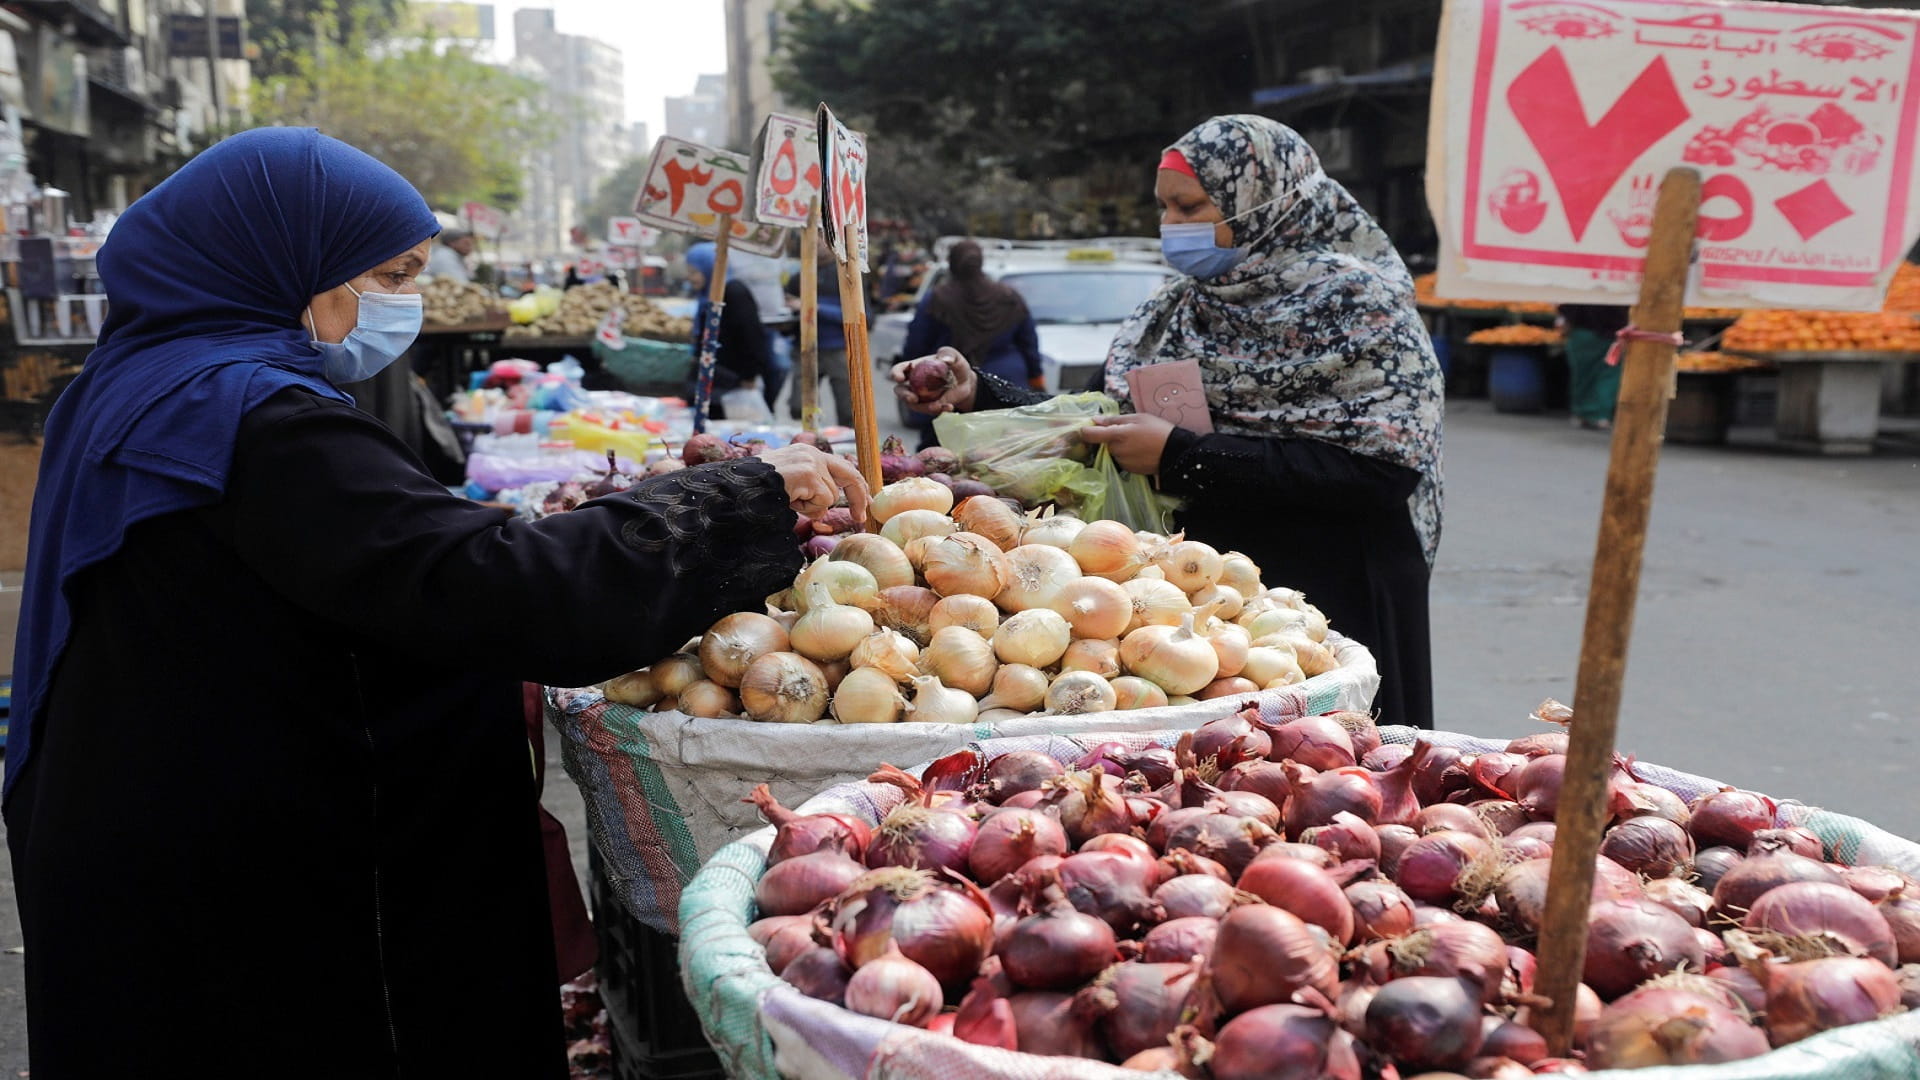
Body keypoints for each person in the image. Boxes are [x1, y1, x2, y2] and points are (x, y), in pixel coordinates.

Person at [4, 128, 868, 1078]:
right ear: (294, 260)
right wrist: (742, 499)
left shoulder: (139, 378)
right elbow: (508, 595)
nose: (404, 300)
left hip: (170, 824)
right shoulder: (254, 415)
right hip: (267, 871)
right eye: (390, 273)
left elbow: (363, 551)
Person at [894, 115, 1443, 729]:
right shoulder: (1174, 310)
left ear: (1269, 205)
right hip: (1196, 605)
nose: (1172, 228)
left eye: (1189, 207)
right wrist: (980, 394)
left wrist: (1183, 455)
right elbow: (1105, 421)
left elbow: (1382, 473)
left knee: (1334, 778)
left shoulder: (1358, 307)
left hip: (1332, 592)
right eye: (1165, 209)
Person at [901, 239, 1045, 447]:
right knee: (1007, 454)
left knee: (943, 461)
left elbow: (917, 343)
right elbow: (1029, 344)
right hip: (1006, 386)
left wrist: (912, 374)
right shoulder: (1009, 297)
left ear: (951, 264)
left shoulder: (938, 299)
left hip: (948, 389)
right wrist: (1036, 379)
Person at [685, 240, 774, 420]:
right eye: (688, 272)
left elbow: (753, 336)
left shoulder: (734, 292)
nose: (690, 278)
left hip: (733, 383)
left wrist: (749, 376)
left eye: (694, 272)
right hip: (714, 379)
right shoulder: (706, 296)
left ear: (711, 268)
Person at [784, 242, 852, 424]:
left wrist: (815, 307)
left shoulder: (846, 275)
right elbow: (788, 317)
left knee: (849, 409)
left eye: (822, 235)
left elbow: (861, 316)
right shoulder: (797, 278)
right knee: (801, 408)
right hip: (805, 348)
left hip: (838, 349)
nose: (817, 242)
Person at [1557, 303, 1631, 429]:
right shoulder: (1620, 291)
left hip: (1584, 334)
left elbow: (1566, 308)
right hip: (1610, 335)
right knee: (1608, 375)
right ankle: (1599, 415)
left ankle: (1582, 412)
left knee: (1583, 376)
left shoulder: (1584, 287)